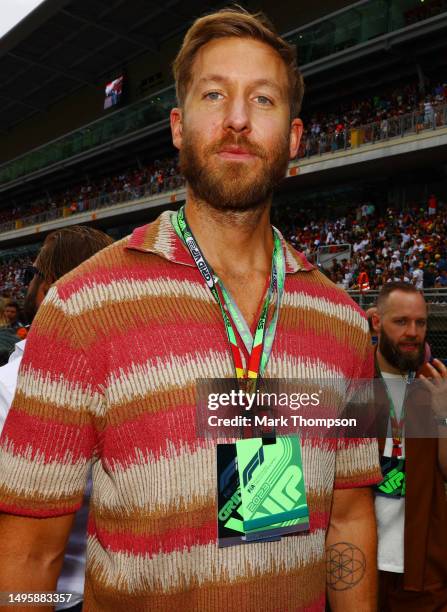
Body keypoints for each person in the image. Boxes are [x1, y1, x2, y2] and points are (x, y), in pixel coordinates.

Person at [0, 9, 381, 611]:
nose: (236, 120)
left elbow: (353, 516)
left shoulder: (345, 323)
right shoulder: (81, 308)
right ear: (178, 126)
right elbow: (28, 555)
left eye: (262, 99)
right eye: (214, 94)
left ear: (295, 136)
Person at [0, 226, 113, 612]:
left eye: (32, 275)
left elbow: (30, 552)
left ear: (50, 286)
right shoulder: (150, 374)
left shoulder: (13, 384)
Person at [371, 281, 447, 611]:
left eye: (420, 322)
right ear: (376, 321)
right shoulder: (351, 382)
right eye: (400, 322)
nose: (413, 332)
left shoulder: (435, 385)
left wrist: (444, 417)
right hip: (358, 564)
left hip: (423, 568)